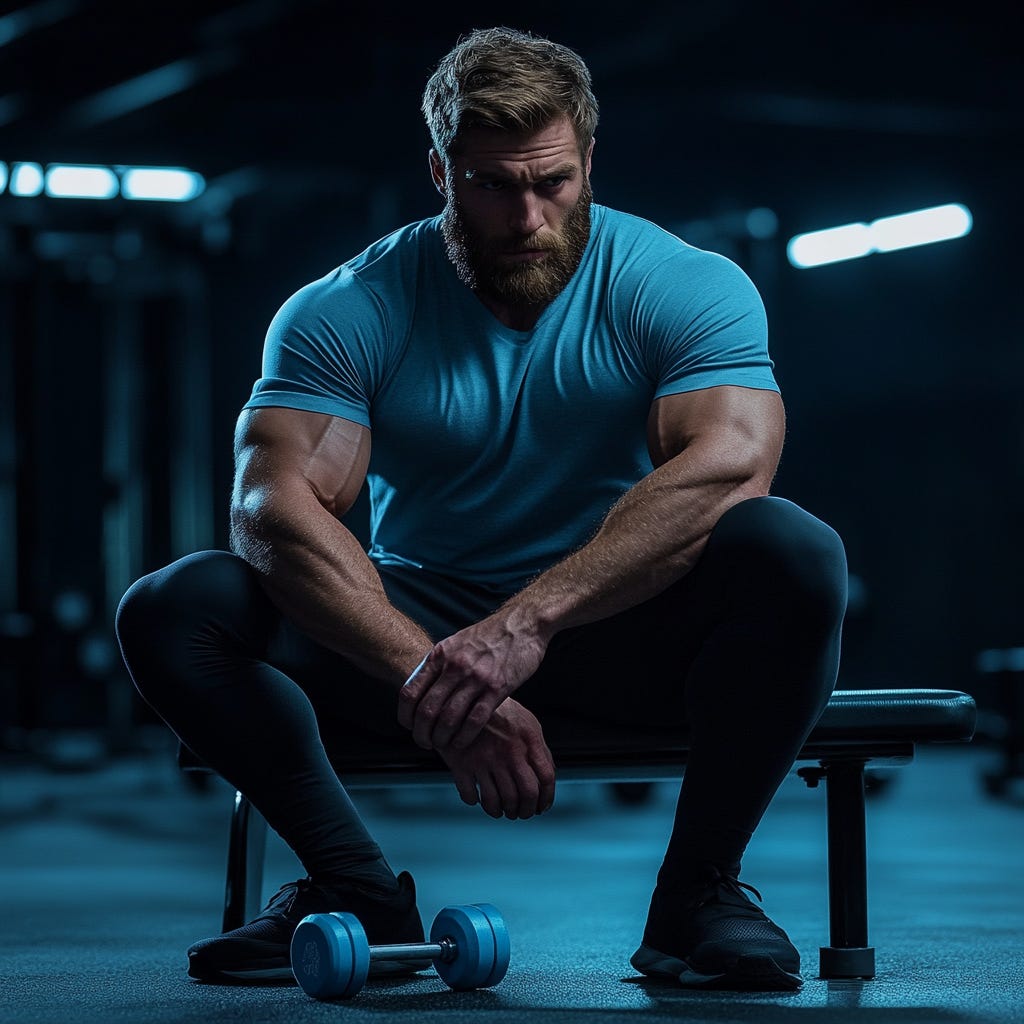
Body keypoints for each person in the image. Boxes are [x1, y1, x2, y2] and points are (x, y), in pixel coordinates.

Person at [115, 26, 847, 993]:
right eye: (493, 185)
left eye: (553, 182)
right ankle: (356, 890)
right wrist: (433, 670)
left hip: (615, 632)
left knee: (790, 548)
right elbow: (274, 507)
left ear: (589, 160)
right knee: (177, 605)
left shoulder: (682, 284)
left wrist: (524, 627)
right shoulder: (350, 307)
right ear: (441, 170)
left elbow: (730, 470)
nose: (528, 218)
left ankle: (699, 895)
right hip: (412, 645)